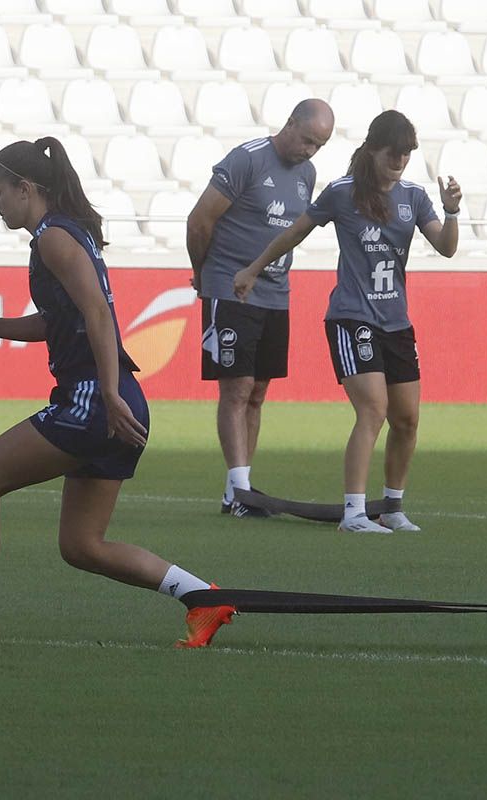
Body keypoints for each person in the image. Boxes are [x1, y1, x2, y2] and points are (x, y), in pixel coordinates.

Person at [0, 139, 237, 648]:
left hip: (95, 400)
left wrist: (105, 392)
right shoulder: (65, 234)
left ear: (26, 188)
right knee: (82, 546)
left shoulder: (53, 239)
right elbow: (59, 319)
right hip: (118, 401)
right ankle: (203, 598)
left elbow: (99, 315)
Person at [234, 110, 461, 533]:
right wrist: (253, 268)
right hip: (351, 318)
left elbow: (446, 248)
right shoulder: (342, 193)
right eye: (393, 153)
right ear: (373, 149)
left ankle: (391, 506)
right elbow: (294, 233)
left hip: (396, 323)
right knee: (373, 409)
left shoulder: (414, 197)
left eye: (407, 154)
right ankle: (355, 513)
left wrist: (451, 213)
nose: (400, 161)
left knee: (408, 419)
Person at [187, 99, 335, 518]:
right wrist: (203, 274)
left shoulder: (307, 173)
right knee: (236, 388)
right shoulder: (245, 160)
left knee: (258, 393)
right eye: (307, 140)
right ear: (290, 124)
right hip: (231, 290)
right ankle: (240, 492)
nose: (310, 151)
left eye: (319, 145)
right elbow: (199, 221)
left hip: (275, 292)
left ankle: (239, 490)